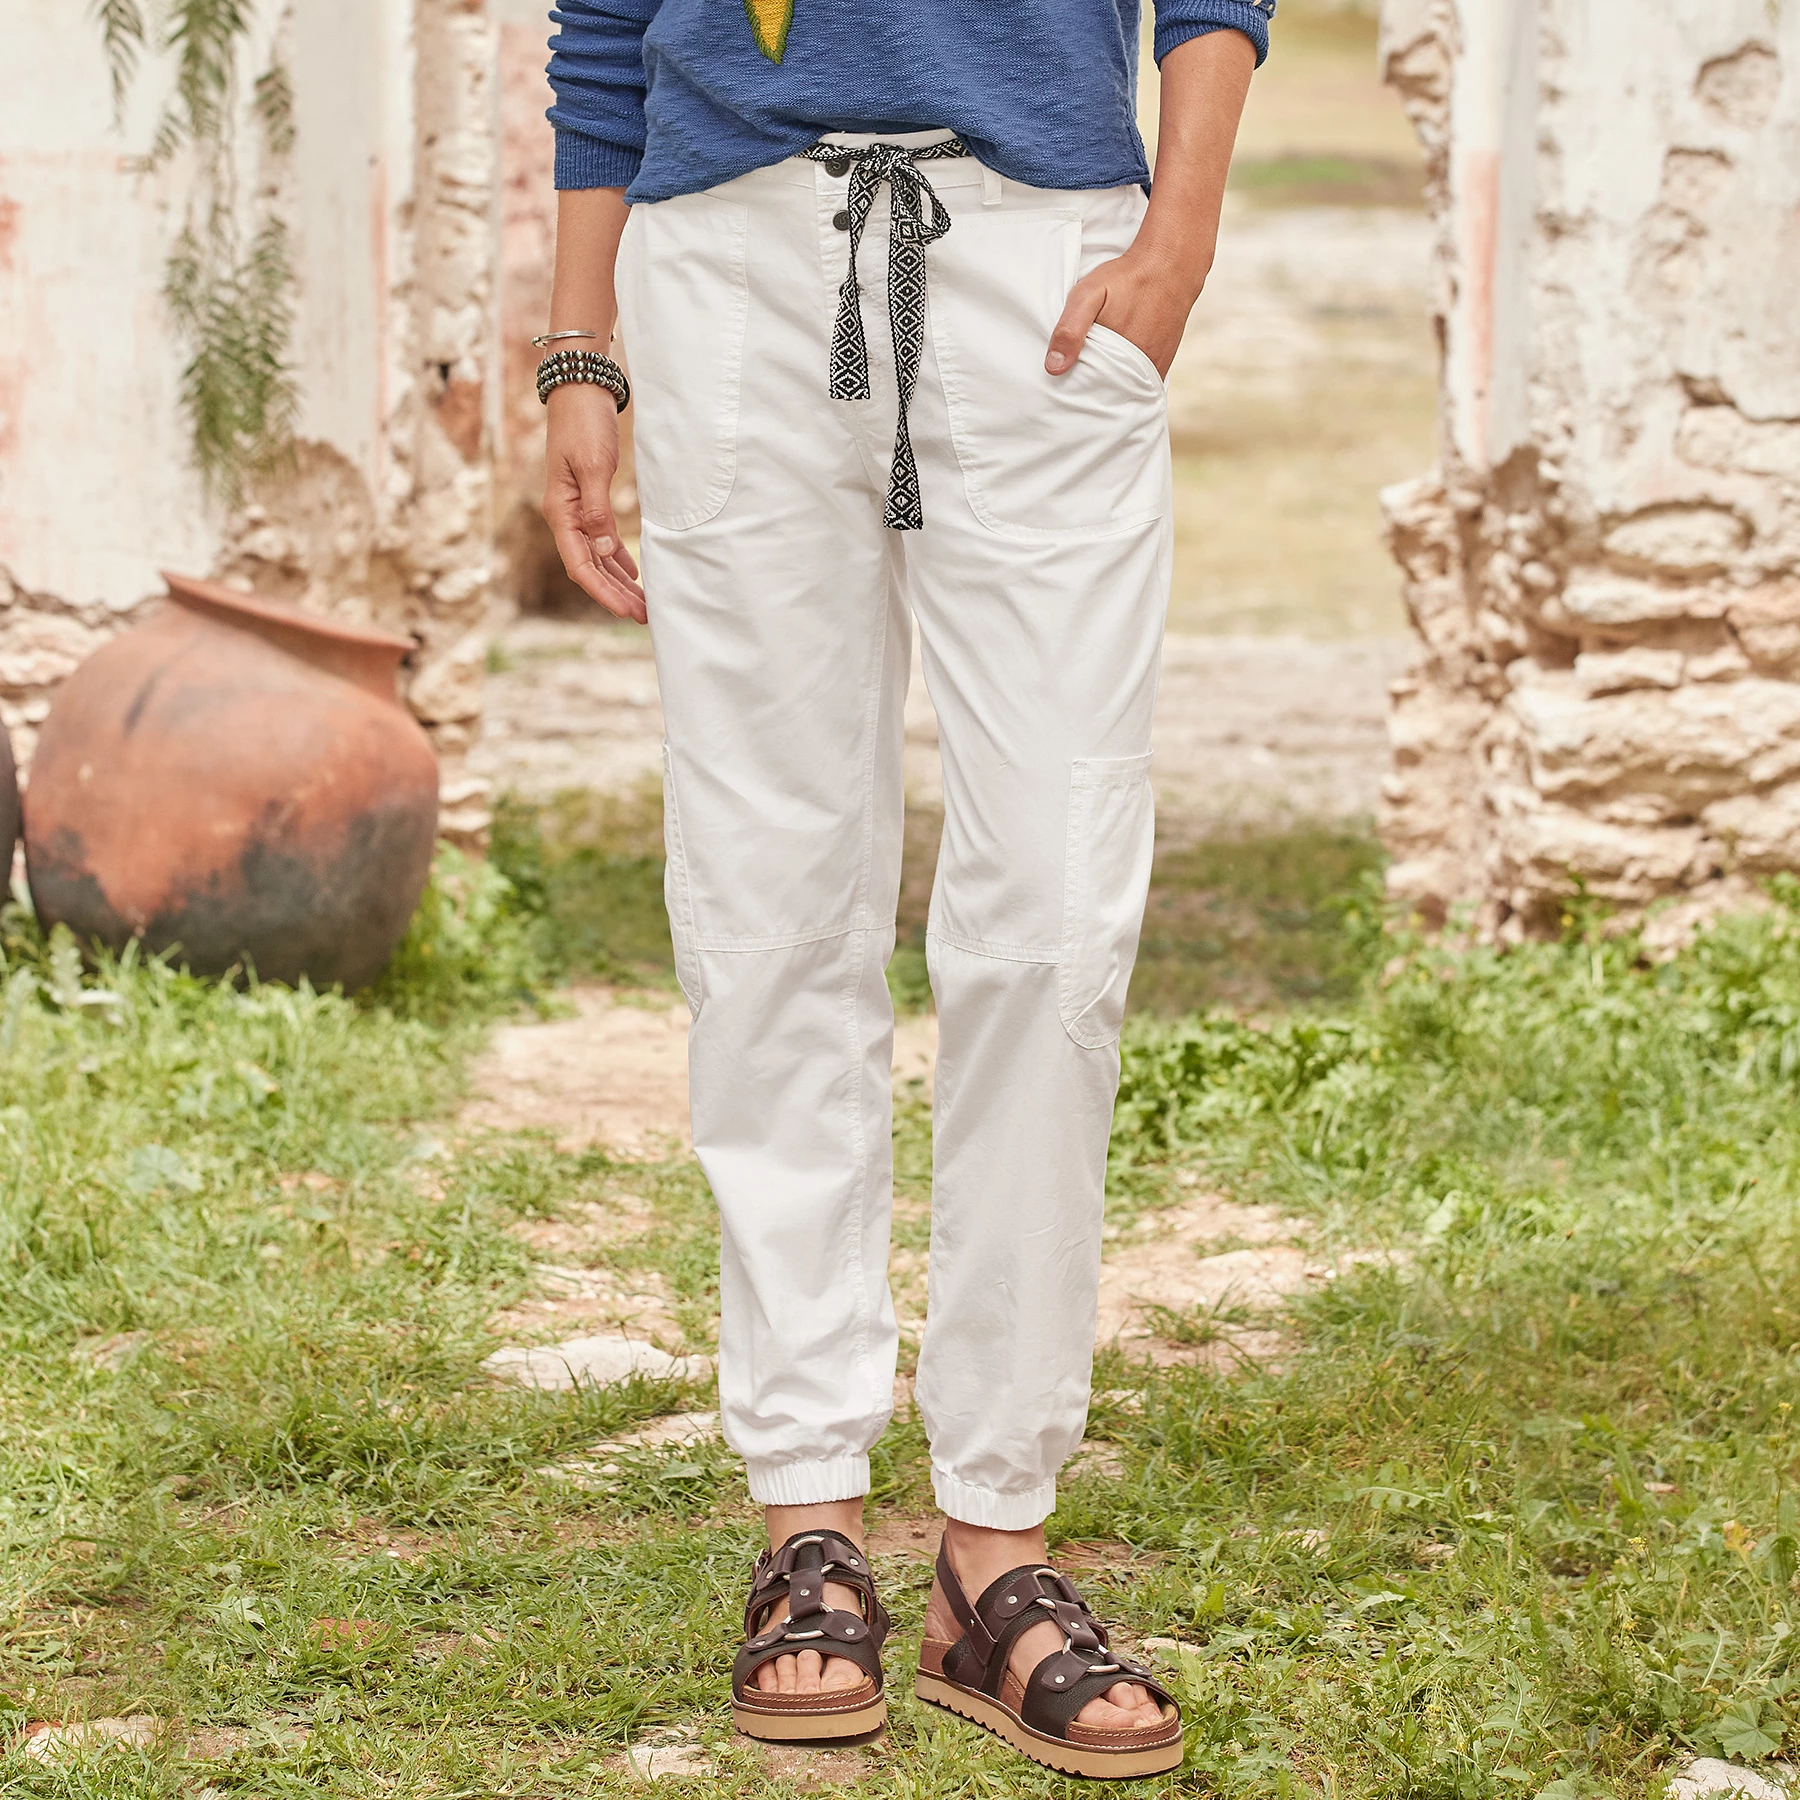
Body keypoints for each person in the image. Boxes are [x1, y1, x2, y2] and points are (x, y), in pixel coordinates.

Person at [539, 0, 1267, 1776]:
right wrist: (580, 343)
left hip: (1042, 262)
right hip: (727, 266)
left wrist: (1180, 233)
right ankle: (810, 1519)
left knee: (1055, 919)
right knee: (768, 907)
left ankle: (995, 1548)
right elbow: (604, 17)